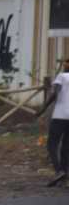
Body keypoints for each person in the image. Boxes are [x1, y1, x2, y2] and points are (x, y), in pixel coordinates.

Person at [36, 58, 69, 186]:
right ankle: (65, 176)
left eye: (67, 62)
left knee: (52, 144)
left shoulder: (62, 76)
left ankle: (59, 171)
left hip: (61, 115)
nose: (65, 64)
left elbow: (55, 93)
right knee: (66, 146)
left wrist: (42, 109)